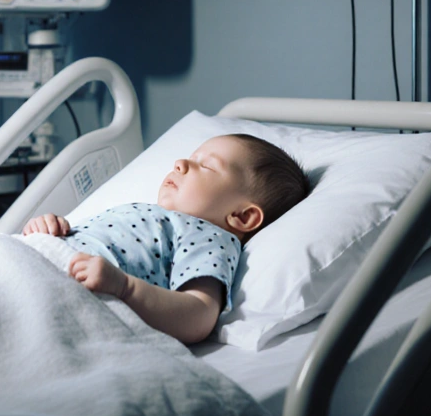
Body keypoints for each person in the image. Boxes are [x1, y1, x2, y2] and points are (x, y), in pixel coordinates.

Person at [22, 133, 310, 344]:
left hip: (66, 293)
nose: (181, 163)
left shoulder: (209, 237)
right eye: (190, 157)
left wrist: (124, 288)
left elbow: (199, 315)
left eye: (206, 166)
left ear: (242, 217)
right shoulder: (149, 213)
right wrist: (50, 228)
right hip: (32, 257)